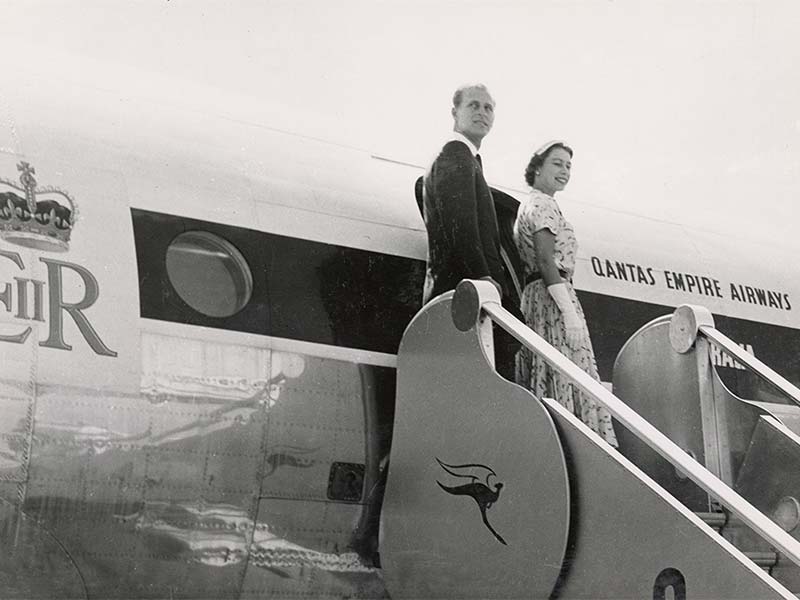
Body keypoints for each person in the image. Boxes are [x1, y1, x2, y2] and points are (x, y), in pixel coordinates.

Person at [513, 141, 618, 447]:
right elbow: (546, 261)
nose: (565, 171)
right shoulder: (542, 204)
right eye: (557, 163)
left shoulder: (534, 203)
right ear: (537, 168)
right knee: (568, 371)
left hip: (540, 296)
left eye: (569, 166)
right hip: (552, 298)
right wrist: (568, 311)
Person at [417, 83, 520, 379]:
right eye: (473, 105)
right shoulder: (454, 154)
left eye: (488, 108)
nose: (482, 113)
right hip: (469, 293)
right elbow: (460, 225)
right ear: (455, 112)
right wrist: (482, 277)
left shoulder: (466, 158)